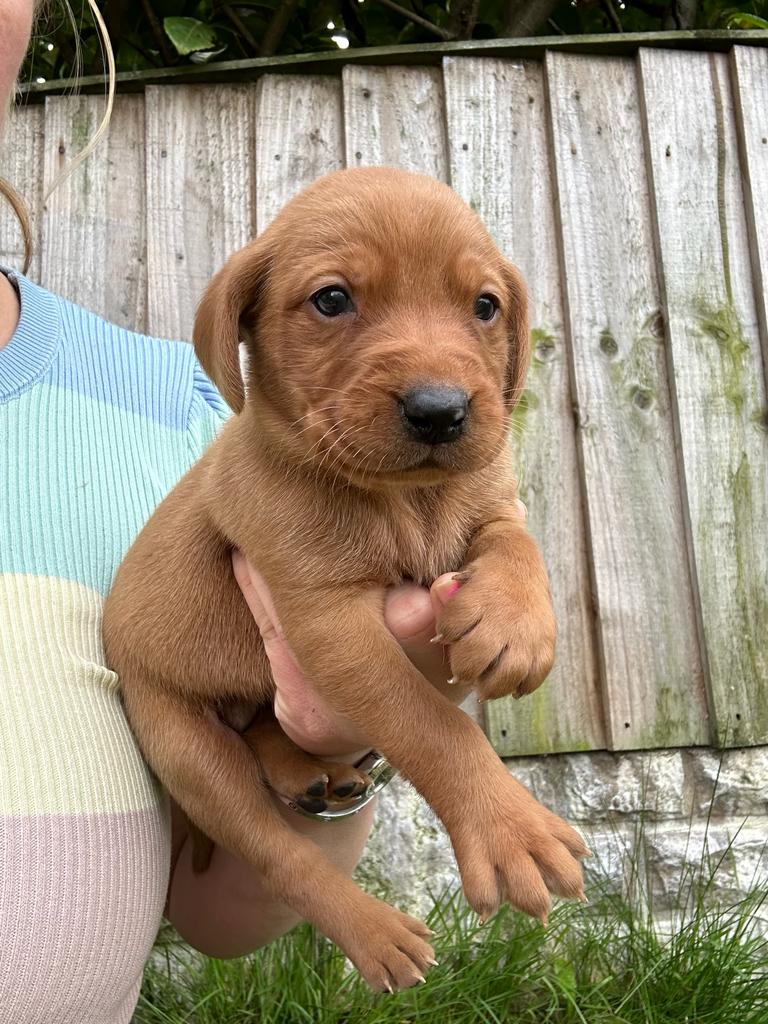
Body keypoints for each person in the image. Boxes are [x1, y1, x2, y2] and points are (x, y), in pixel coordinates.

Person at [0, 2, 523, 1021]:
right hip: (182, 682)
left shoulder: (174, 410)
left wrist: (334, 748)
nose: (433, 376)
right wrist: (469, 786)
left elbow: (219, 918)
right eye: (335, 300)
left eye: (483, 308)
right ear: (235, 325)